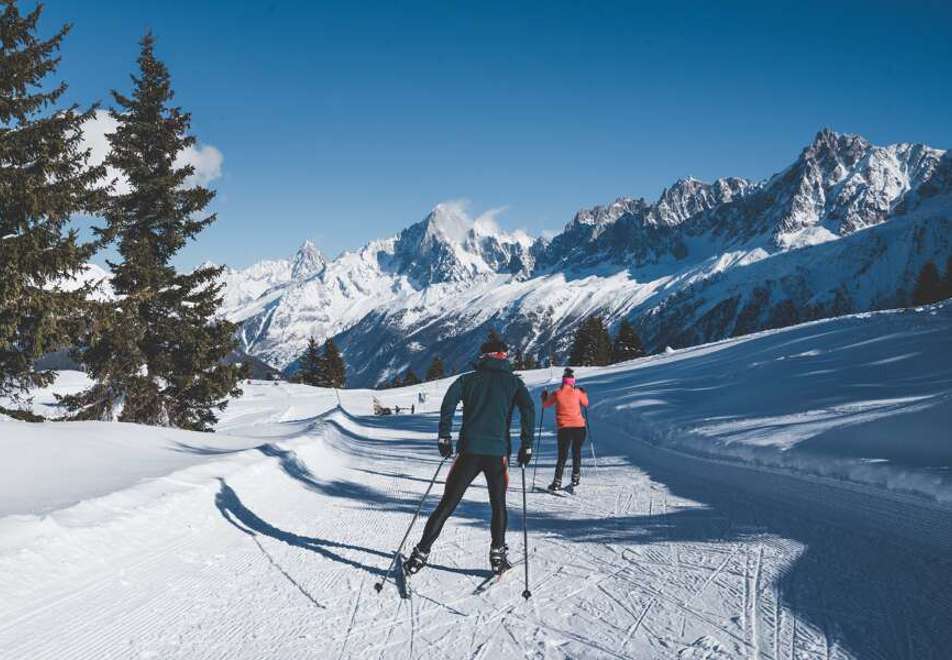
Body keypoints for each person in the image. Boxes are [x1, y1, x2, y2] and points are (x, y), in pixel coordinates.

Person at [403, 335, 535, 576]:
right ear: (504, 357)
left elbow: (448, 404)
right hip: (496, 454)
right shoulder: (514, 384)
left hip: (469, 451)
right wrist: (526, 446)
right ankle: (497, 555)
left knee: (448, 503)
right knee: (498, 504)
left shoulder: (468, 380)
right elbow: (529, 409)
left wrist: (444, 436)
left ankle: (420, 555)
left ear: (483, 357)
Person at [541, 367, 589, 491]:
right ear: (573, 381)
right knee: (576, 452)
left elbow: (545, 405)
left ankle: (557, 482)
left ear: (563, 381)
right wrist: (583, 393)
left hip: (564, 428)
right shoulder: (577, 392)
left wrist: (544, 397)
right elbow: (585, 403)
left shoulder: (557, 393)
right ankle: (575, 478)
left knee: (562, 456)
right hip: (579, 427)